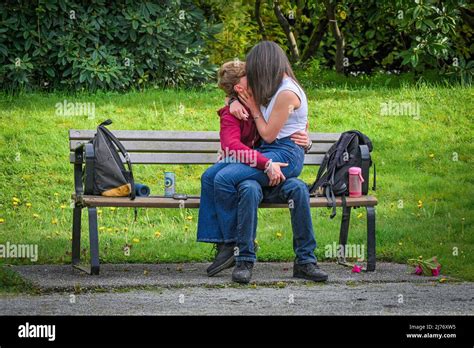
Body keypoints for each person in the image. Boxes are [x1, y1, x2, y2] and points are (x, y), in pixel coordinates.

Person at [197, 59, 311, 276]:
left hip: (274, 159)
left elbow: (297, 121)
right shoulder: (235, 110)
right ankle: (224, 244)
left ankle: (232, 244)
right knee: (209, 176)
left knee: (223, 179)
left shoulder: (266, 96)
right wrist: (231, 102)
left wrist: (308, 140)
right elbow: (231, 146)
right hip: (255, 162)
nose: (258, 76)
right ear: (240, 87)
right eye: (251, 76)